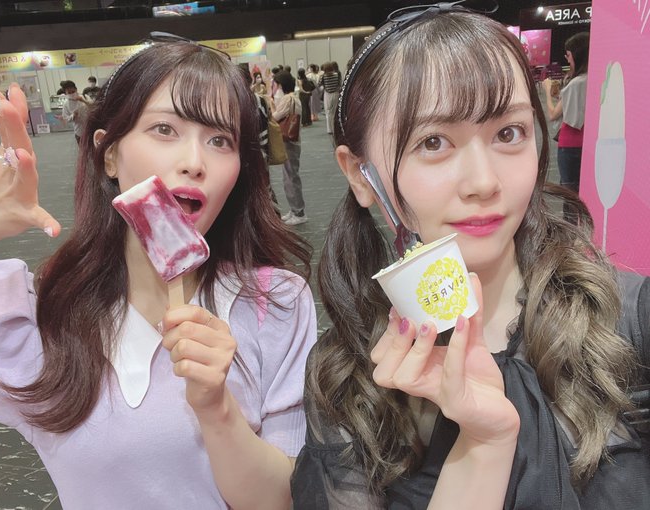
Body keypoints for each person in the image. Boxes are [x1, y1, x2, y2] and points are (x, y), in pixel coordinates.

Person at [292, 4, 650, 509]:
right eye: (433, 142)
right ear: (359, 174)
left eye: (509, 133)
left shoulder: (628, 320)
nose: (484, 182)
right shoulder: (346, 378)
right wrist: (484, 446)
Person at [0, 36, 316, 510]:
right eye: (164, 129)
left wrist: (217, 410)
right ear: (109, 154)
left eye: (220, 140)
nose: (194, 162)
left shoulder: (275, 303)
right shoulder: (33, 316)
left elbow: (281, 501)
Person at [544, 32, 590, 223]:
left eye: (569, 55)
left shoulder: (577, 83)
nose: (567, 59)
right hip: (588, 144)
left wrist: (547, 92)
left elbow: (554, 114)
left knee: (569, 191)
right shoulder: (595, 79)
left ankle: (570, 233)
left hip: (570, 144)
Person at [271, 70, 307, 226]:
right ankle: (295, 209)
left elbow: (275, 117)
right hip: (293, 141)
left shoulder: (288, 99)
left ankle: (299, 212)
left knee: (290, 177)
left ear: (281, 85)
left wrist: (271, 106)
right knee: (290, 175)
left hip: (288, 142)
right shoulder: (294, 97)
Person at [59, 80, 89, 144]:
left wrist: (83, 101)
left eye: (73, 91)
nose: (72, 94)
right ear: (66, 93)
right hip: (79, 132)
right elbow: (65, 118)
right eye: (69, 93)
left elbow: (94, 107)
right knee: (82, 148)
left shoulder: (85, 97)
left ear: (76, 89)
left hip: (90, 129)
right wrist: (73, 116)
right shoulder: (66, 104)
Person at [318, 62, 340, 134]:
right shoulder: (336, 75)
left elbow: (319, 84)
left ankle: (329, 129)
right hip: (335, 93)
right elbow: (339, 84)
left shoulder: (323, 76)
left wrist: (320, 76)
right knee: (334, 112)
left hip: (327, 94)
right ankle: (334, 128)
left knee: (328, 112)